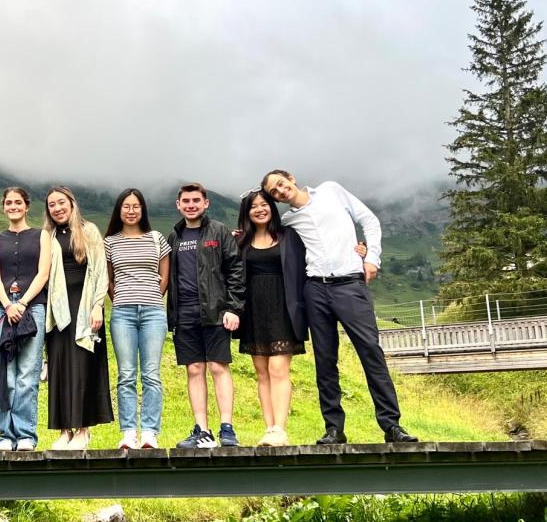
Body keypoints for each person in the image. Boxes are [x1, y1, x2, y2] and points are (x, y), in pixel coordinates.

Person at [262, 169, 418, 444]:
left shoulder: (331, 191)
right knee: (325, 359)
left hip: (350, 285)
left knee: (370, 351)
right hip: (315, 289)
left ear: (291, 178)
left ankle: (392, 425)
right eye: (274, 192)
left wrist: (372, 257)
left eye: (281, 184)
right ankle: (334, 428)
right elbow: (265, 237)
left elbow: (369, 220)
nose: (280, 191)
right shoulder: (288, 220)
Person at [166, 183, 244, 449]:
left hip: (215, 312)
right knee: (194, 369)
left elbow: (235, 270)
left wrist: (233, 308)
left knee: (218, 367)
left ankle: (227, 428)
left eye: (196, 200)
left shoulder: (219, 231)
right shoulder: (173, 236)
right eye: (185, 201)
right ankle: (203, 431)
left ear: (206, 203)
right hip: (184, 314)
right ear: (178, 205)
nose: (191, 205)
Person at [233, 190, 309, 447]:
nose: (259, 209)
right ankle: (269, 428)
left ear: (272, 208)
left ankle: (280, 428)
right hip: (254, 310)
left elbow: (313, 257)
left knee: (278, 369)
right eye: (253, 206)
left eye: (264, 204)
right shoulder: (241, 242)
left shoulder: (290, 237)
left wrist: (359, 250)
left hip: (283, 308)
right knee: (262, 371)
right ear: (247, 212)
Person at [43, 186, 112, 450]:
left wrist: (97, 306)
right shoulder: (48, 235)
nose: (57, 208)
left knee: (84, 366)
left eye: (61, 202)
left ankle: (83, 430)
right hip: (58, 309)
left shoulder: (89, 230)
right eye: (52, 205)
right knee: (59, 367)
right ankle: (64, 431)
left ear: (72, 204)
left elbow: (100, 270)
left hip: (85, 306)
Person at [104, 188, 170, 450]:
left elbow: (164, 276)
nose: (131, 211)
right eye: (126, 206)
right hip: (122, 313)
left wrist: (152, 296)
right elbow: (108, 279)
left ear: (143, 210)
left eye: (136, 206)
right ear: (119, 210)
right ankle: (129, 432)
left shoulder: (156, 238)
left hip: (153, 311)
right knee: (126, 375)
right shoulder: (110, 241)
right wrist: (119, 297)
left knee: (152, 374)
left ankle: (150, 433)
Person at [0, 187, 51, 452]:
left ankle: (25, 434)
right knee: (4, 371)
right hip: (1, 309)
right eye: (8, 203)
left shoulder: (42, 236)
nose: (13, 206)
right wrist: (7, 304)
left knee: (27, 372)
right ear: (3, 207)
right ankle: (6, 434)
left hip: (33, 307)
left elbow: (43, 273)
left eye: (18, 202)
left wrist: (23, 302)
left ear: (27, 206)